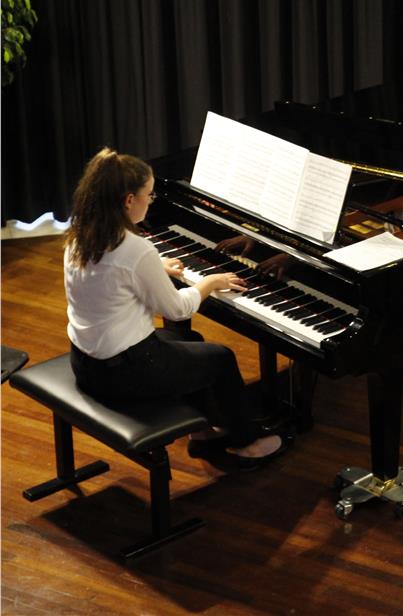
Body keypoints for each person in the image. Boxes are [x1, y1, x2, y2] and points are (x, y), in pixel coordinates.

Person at [63, 147, 289, 469]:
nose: (151, 201)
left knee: (188, 343)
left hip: (86, 362)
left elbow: (112, 279)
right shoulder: (135, 249)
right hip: (123, 373)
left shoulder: (80, 234)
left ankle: (202, 432)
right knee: (221, 358)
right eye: (149, 195)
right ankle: (247, 443)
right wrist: (209, 283)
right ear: (129, 200)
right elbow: (178, 310)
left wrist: (156, 270)